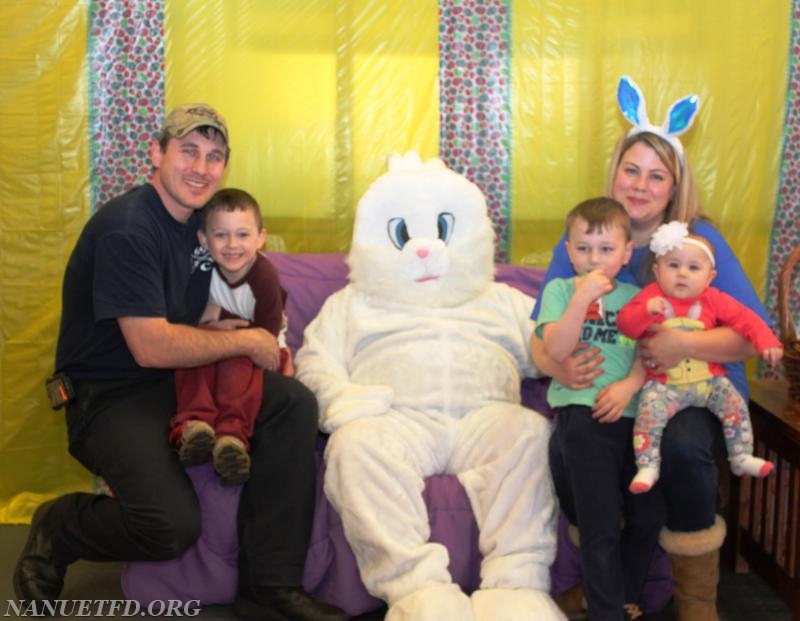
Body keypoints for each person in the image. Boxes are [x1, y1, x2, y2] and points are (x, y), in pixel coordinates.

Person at [13, 103, 346, 621]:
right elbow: (150, 346)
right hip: (110, 396)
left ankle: (270, 585)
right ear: (157, 154)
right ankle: (59, 525)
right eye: (188, 151)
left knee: (294, 405)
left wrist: (268, 337)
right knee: (168, 525)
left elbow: (247, 278)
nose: (201, 167)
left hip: (184, 382)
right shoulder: (129, 229)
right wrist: (244, 343)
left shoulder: (205, 230)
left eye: (214, 157)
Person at [531, 75, 775, 620]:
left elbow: (750, 331)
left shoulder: (697, 242)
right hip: (610, 391)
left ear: (673, 187)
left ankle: (696, 598)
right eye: (631, 170)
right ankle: (609, 587)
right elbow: (542, 331)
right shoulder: (582, 239)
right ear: (615, 172)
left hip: (695, 389)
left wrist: (671, 346)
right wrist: (556, 367)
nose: (640, 185)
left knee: (682, 448)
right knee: (562, 451)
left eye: (656, 176)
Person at [534, 196, 657, 621]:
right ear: (568, 252)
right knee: (600, 522)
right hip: (582, 418)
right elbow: (556, 347)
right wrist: (579, 300)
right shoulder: (560, 290)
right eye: (584, 249)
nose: (594, 259)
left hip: (633, 416)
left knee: (646, 511)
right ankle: (606, 612)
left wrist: (629, 385)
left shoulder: (637, 297)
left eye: (606, 250)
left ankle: (622, 593)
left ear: (627, 253)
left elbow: (648, 353)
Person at [618, 222, 781, 493]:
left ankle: (740, 456)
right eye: (673, 266)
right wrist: (645, 311)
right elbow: (626, 325)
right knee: (647, 416)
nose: (682, 273)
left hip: (710, 382)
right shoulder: (650, 296)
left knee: (736, 407)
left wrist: (767, 341)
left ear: (709, 276)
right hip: (664, 385)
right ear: (657, 271)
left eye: (693, 268)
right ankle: (648, 465)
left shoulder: (713, 299)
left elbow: (747, 321)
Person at [170, 187, 293, 487]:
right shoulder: (202, 269)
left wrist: (220, 317)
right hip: (219, 340)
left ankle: (232, 436)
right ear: (204, 240)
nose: (232, 245)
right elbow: (186, 319)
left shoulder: (263, 276)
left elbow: (265, 336)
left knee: (234, 351)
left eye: (242, 235)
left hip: (264, 346)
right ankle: (193, 426)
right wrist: (210, 325)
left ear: (260, 238)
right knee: (195, 346)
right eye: (221, 235)